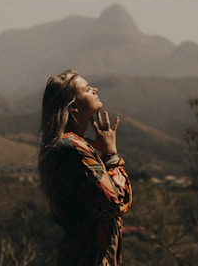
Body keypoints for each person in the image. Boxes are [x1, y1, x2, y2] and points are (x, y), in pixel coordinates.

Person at [38, 70, 132, 266]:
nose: (95, 89)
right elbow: (116, 203)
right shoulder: (72, 148)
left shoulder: (73, 146)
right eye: (88, 89)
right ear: (73, 107)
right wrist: (112, 155)